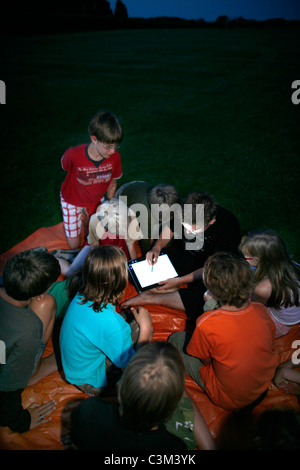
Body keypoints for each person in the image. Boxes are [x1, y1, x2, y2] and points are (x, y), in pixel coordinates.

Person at [168, 252, 278, 412]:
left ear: (211, 289)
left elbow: (204, 359)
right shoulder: (261, 310)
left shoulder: (207, 323)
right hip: (260, 389)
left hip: (227, 397)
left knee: (175, 338)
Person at [70, 341, 216, 450]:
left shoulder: (88, 411)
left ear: (120, 388)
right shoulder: (175, 447)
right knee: (170, 383)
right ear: (172, 411)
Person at [121, 191, 241, 321]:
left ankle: (151, 297)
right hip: (182, 256)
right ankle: (171, 290)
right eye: (185, 226)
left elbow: (214, 267)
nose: (188, 232)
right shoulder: (186, 211)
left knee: (206, 300)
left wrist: (179, 280)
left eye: (194, 230)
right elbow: (170, 228)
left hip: (208, 269)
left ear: (211, 222)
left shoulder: (229, 227)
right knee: (136, 271)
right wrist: (157, 247)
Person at [59, 245, 153, 396]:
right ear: (120, 281)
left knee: (127, 322)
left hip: (75, 369)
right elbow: (131, 366)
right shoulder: (111, 324)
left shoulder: (81, 293)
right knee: (137, 326)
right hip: (91, 381)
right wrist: (147, 329)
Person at [0, 251, 61, 433]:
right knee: (49, 304)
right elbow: (8, 386)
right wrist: (21, 421)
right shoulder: (29, 329)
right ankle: (36, 371)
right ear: (39, 293)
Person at [60, 111, 123, 249]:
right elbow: (65, 166)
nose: (113, 151)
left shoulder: (114, 157)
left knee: (93, 237)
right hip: (71, 199)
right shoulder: (73, 154)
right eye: (108, 147)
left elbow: (112, 183)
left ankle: (87, 223)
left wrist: (108, 203)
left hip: (96, 199)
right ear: (94, 139)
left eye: (115, 146)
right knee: (75, 246)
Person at [56, 198, 143, 277]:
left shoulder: (129, 219)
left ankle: (75, 257)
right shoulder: (95, 221)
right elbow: (95, 250)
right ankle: (50, 259)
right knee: (71, 272)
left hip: (118, 249)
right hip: (99, 249)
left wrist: (134, 268)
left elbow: (131, 246)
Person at [239, 229, 300, 337]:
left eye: (247, 257)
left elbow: (255, 307)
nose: (245, 259)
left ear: (261, 260)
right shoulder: (293, 266)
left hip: (283, 324)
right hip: (294, 314)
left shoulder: (263, 288)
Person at [115, 180, 181, 255]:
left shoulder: (173, 201)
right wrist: (147, 254)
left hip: (140, 187)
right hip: (123, 195)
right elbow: (145, 240)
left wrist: (158, 246)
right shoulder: (146, 215)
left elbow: (173, 224)